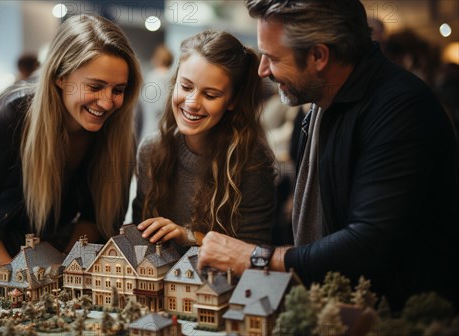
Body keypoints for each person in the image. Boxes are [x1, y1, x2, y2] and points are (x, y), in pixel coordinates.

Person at [198, 0, 458, 311]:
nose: (262, 70)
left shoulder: (401, 108)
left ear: (319, 56)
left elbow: (367, 242)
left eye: (272, 57)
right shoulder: (324, 104)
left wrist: (255, 258)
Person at [0, 14, 142, 270]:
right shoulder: (15, 115)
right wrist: (15, 279)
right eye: (95, 86)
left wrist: (66, 268)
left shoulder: (119, 134)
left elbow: (96, 218)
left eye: (118, 90)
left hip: (58, 257)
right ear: (60, 77)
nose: (107, 102)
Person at [132, 30, 276, 249]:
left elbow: (255, 252)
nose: (191, 103)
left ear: (233, 100)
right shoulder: (151, 150)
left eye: (210, 95)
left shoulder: (251, 161)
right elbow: (136, 236)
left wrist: (187, 236)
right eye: (186, 86)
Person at [137, 44, 173, 144]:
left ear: (158, 60)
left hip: (150, 129)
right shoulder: (173, 78)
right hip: (166, 131)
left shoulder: (153, 77)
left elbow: (145, 104)